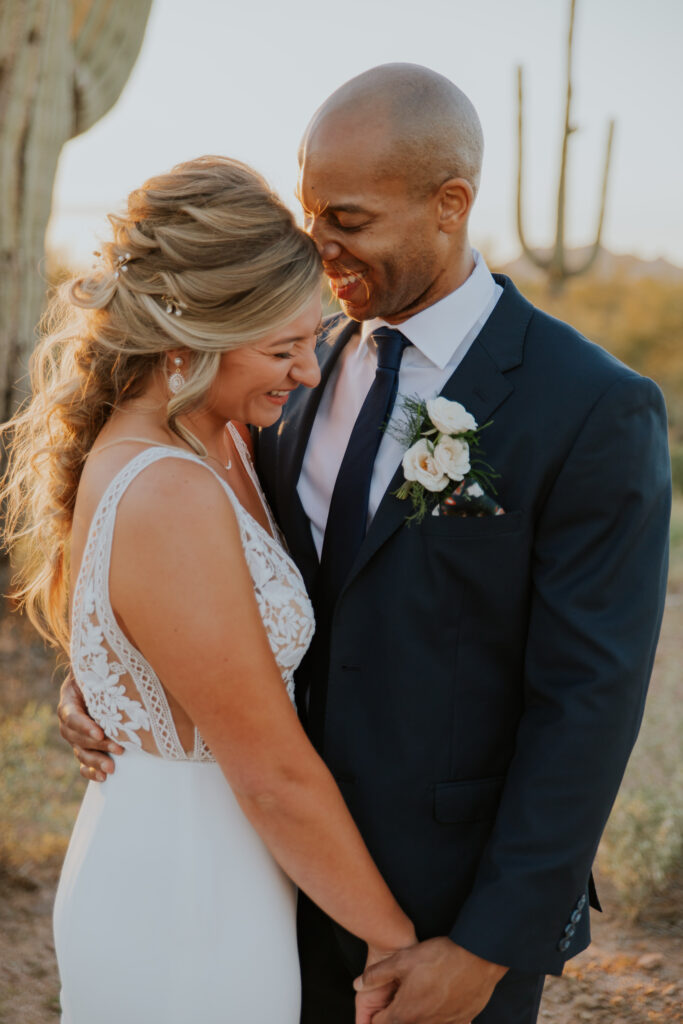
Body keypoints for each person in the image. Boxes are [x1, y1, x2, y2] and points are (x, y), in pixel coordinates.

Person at [58, 66, 671, 1024]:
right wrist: (121, 671)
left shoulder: (590, 408)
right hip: (256, 872)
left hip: (445, 914)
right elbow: (201, 569)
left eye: (346, 219)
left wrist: (487, 949)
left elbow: (587, 708)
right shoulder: (291, 363)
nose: (319, 247)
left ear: (448, 205)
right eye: (310, 215)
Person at [1, 155, 417, 1024]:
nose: (307, 372)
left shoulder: (216, 438)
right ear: (191, 335)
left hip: (219, 870)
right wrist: (394, 944)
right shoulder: (171, 489)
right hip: (182, 895)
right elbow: (268, 771)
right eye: (282, 348)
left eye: (311, 339)